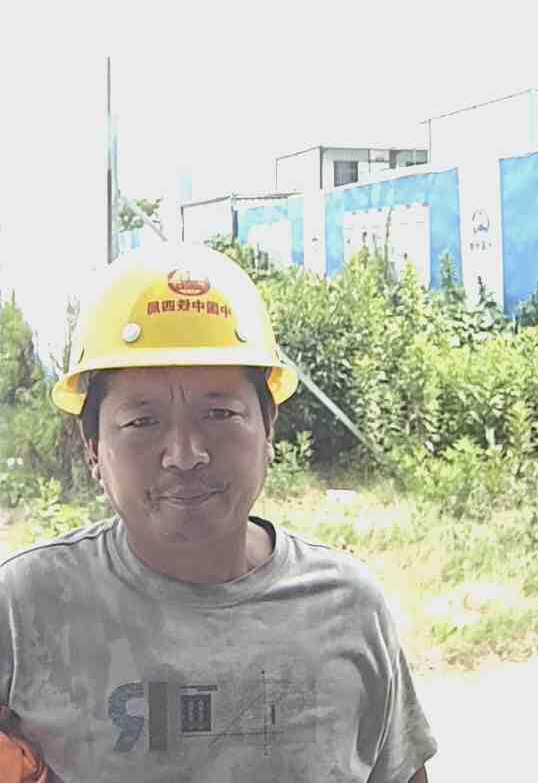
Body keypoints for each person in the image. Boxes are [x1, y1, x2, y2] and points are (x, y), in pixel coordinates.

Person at [0, 243, 437, 782]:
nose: (185, 455)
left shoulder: (346, 607)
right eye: (142, 422)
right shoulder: (25, 607)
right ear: (93, 448)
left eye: (219, 413)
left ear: (268, 427)